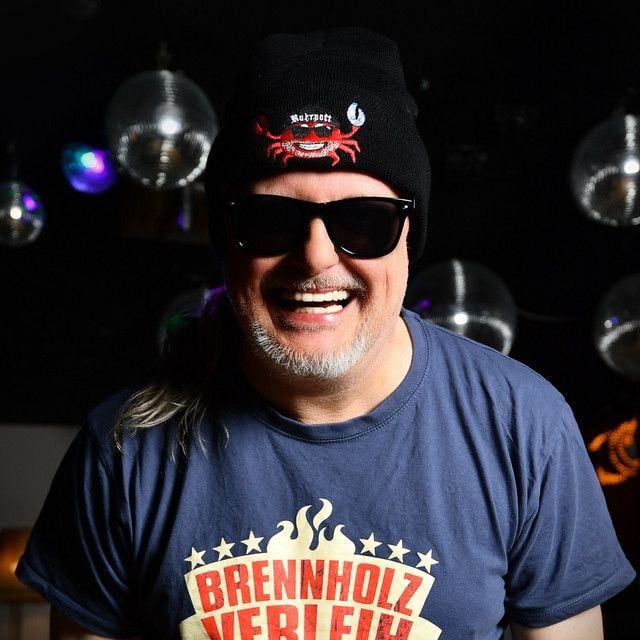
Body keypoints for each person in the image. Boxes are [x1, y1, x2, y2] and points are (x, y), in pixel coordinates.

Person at [17, 27, 635, 640]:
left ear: (409, 238)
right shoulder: (122, 450)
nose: (315, 258)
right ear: (226, 243)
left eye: (364, 222)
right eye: (269, 220)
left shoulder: (525, 427)